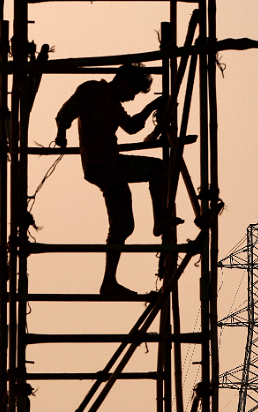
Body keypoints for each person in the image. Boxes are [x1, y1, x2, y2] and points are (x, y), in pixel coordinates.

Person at [54, 64, 175, 296]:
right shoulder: (93, 90)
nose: (131, 98)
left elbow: (131, 127)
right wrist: (61, 134)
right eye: (133, 92)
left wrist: (151, 107)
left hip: (108, 167)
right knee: (158, 168)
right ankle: (160, 220)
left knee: (122, 225)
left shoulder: (113, 103)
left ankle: (109, 282)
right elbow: (65, 113)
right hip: (104, 164)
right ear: (123, 81)